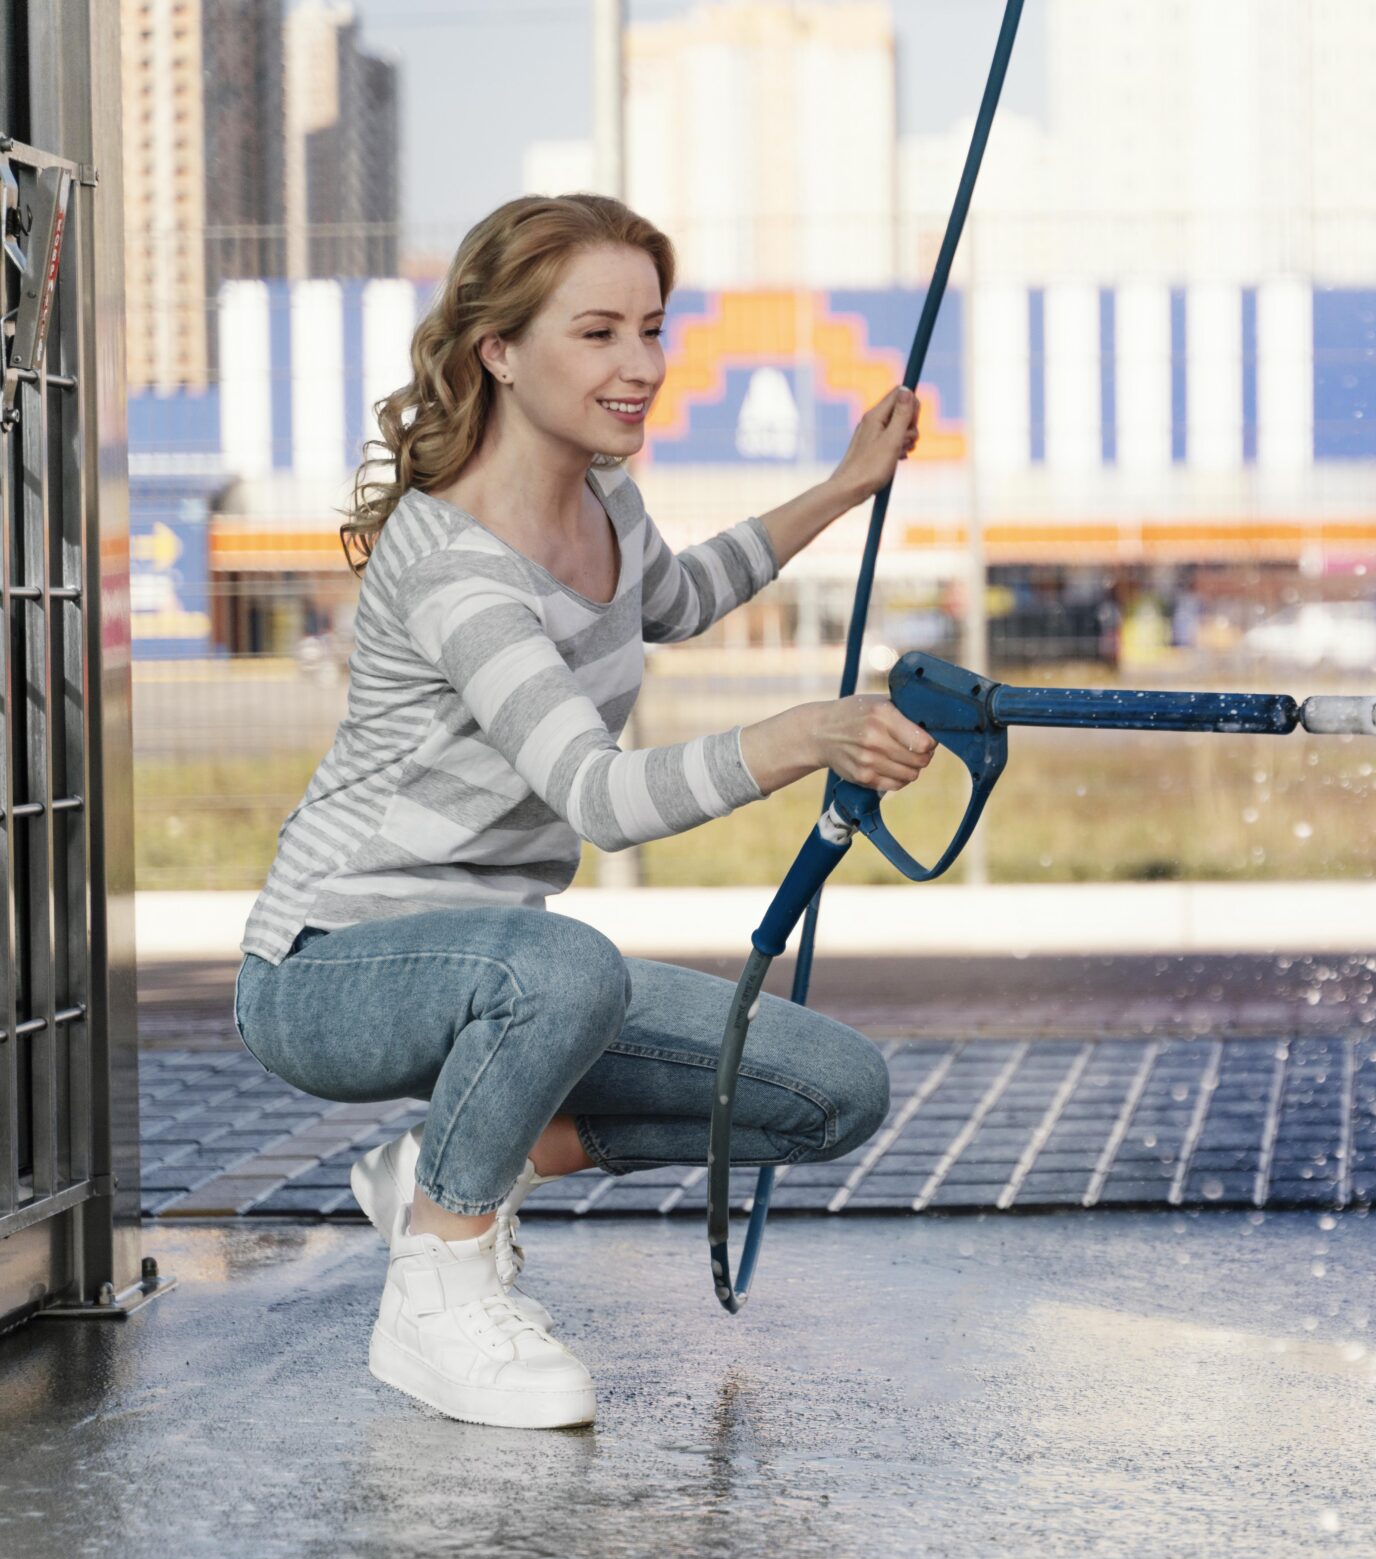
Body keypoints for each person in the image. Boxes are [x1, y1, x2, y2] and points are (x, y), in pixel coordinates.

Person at [232, 195, 940, 1430]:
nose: (643, 367)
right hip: (329, 966)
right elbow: (599, 800)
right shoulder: (452, 559)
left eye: (653, 329)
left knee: (830, 1087)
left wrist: (843, 485)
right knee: (566, 966)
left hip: (514, 972)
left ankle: (447, 1167)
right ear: (497, 349)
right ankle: (437, 1291)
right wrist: (807, 734)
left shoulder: (606, 500)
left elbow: (676, 596)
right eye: (600, 332)